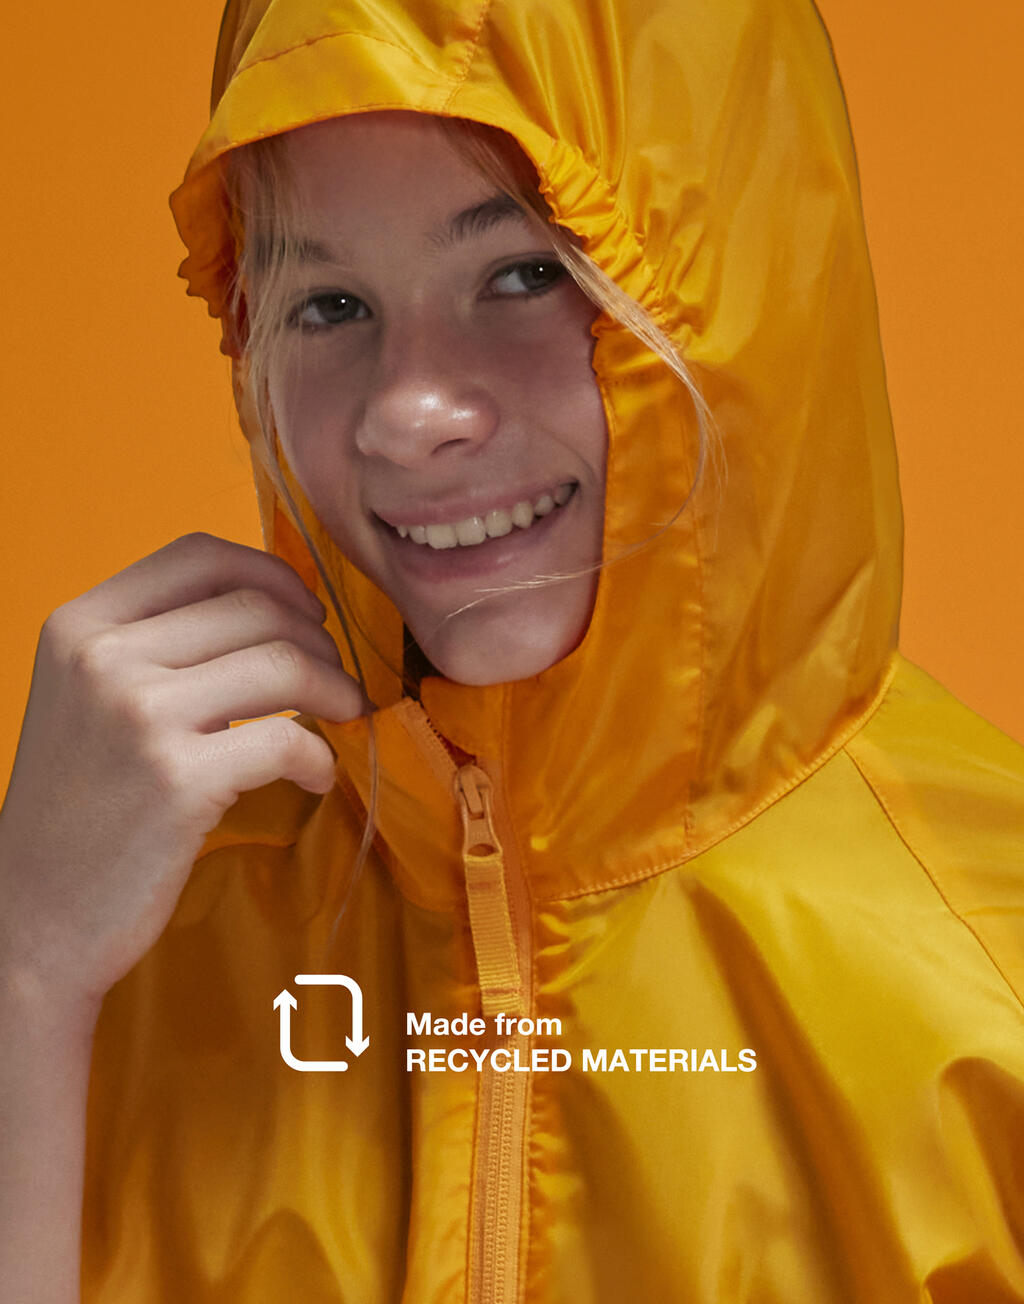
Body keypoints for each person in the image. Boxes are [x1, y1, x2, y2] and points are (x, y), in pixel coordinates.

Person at [1, 0, 1022, 1299]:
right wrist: (23, 974)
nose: (408, 411)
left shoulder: (990, 992)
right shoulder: (125, 928)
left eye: (527, 274)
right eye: (329, 303)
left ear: (743, 293)